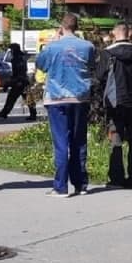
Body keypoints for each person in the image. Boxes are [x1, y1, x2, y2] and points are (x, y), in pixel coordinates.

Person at [35, 14, 96, 197]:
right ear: (76, 27)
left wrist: (52, 43)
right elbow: (92, 65)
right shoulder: (88, 47)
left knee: (61, 143)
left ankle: (61, 187)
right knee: (79, 141)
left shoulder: (52, 47)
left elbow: (41, 65)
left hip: (57, 97)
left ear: (61, 28)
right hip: (80, 97)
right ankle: (80, 184)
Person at [96, 24, 132, 188]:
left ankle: (116, 178)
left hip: (115, 102)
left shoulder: (107, 53)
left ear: (113, 34)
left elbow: (99, 76)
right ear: (130, 33)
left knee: (116, 140)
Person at [0, 43, 35, 120]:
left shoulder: (16, 59)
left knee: (12, 98)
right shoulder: (22, 57)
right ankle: (33, 113)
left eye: (11, 50)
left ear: (14, 50)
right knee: (26, 98)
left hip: (19, 81)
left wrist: (9, 83)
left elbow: (16, 72)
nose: (11, 52)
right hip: (23, 80)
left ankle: (4, 113)